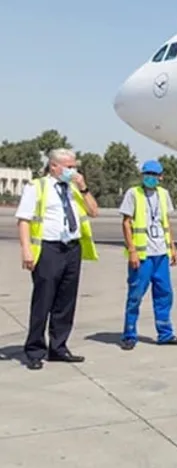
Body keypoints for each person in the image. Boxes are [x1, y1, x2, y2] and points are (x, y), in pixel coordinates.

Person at [15, 148, 99, 370]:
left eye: (74, 167)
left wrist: (83, 186)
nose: (73, 171)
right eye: (69, 167)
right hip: (49, 249)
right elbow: (24, 220)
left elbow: (93, 211)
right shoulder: (37, 187)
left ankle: (59, 347)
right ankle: (34, 350)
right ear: (54, 166)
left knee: (65, 301)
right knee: (44, 300)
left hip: (72, 248)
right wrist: (26, 250)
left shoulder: (74, 188)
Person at [119, 160, 177, 350]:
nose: (149, 177)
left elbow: (166, 222)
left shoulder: (163, 194)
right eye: (146, 173)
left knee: (165, 294)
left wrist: (172, 247)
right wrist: (132, 250)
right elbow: (126, 223)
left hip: (161, 253)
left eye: (153, 174)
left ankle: (165, 334)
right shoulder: (133, 193)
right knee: (136, 295)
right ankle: (129, 334)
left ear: (160, 177)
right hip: (142, 255)